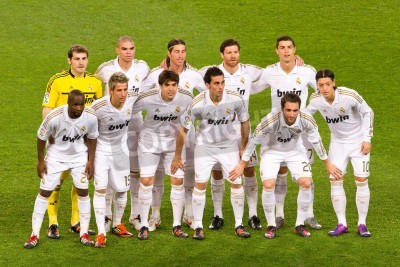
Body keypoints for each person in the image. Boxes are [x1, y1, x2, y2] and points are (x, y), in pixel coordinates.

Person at [230, 93, 341, 239]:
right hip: (271, 152)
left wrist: (328, 164)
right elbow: (253, 141)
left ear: (299, 109)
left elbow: (316, 141)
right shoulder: (270, 120)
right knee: (269, 185)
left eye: (295, 110)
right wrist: (242, 164)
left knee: (307, 183)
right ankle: (271, 226)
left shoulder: (306, 119)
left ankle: (299, 224)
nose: (291, 114)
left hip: (295, 151)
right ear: (282, 109)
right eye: (288, 110)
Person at [171, 67, 251, 240]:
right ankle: (198, 226)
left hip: (228, 146)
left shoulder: (235, 99)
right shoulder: (197, 103)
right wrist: (177, 156)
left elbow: (245, 122)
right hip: (204, 147)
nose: (221, 87)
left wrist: (243, 146)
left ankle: (239, 224)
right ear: (207, 85)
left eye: (222, 82)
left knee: (236, 183)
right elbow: (183, 129)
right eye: (216, 83)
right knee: (200, 185)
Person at [251, 36, 321, 230]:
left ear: (294, 49)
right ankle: (279, 214)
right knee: (280, 171)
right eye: (282, 48)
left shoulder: (306, 71)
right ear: (277, 51)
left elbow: (321, 89)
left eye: (289, 47)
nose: (286, 51)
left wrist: (309, 111)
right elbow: (252, 88)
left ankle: (310, 215)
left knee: (307, 172)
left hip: (301, 129)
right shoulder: (270, 72)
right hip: (277, 130)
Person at [141, 39, 207, 231]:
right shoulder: (155, 74)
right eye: (176, 51)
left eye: (183, 51)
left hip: (185, 132)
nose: (180, 55)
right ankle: (155, 215)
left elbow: (207, 94)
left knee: (187, 173)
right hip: (156, 136)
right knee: (158, 175)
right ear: (169, 53)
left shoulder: (194, 75)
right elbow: (139, 94)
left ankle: (188, 213)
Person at [199, 39, 264, 230]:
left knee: (249, 169)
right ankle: (218, 215)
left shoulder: (250, 71)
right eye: (228, 52)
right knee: (217, 171)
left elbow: (273, 71)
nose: (233, 56)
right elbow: (187, 73)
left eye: (235, 52)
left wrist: (296, 60)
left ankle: (253, 214)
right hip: (219, 131)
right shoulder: (211, 72)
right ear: (222, 54)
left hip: (243, 129)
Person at [24, 90, 98, 249]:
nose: (79, 108)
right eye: (75, 105)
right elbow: (41, 137)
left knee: (83, 192)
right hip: (55, 157)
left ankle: (83, 233)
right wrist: (40, 161)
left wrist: (91, 161)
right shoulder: (55, 117)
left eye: (81, 104)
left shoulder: (91, 116)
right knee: (44, 192)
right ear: (68, 104)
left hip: (79, 157)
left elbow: (92, 138)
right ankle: (34, 234)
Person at [42, 44, 102, 238]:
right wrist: (49, 136)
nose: (81, 62)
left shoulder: (95, 82)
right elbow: (47, 109)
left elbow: (99, 112)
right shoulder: (57, 81)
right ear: (69, 60)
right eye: (77, 59)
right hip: (60, 142)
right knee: (55, 182)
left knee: (80, 182)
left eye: (84, 58)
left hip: (83, 142)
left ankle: (75, 222)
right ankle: (53, 223)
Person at [304, 69, 374, 237]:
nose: (325, 88)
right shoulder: (315, 100)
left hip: (358, 143)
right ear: (317, 86)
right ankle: (341, 223)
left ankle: (362, 224)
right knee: (335, 179)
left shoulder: (349, 95)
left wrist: (367, 138)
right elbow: (306, 114)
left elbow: (368, 112)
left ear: (334, 83)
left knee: (361, 180)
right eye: (321, 85)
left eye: (328, 84)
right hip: (338, 143)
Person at [95, 36, 150, 232]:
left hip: (133, 123)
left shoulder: (143, 67)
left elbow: (151, 87)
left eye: (132, 48)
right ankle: (108, 217)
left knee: (134, 171)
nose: (128, 52)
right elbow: (94, 87)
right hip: (110, 123)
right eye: (124, 48)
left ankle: (135, 214)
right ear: (117, 50)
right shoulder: (105, 69)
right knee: (109, 171)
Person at [134, 70, 194, 240]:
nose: (171, 89)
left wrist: (177, 156)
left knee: (177, 180)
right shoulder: (147, 97)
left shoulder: (186, 98)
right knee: (146, 181)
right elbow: (128, 110)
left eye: (174, 85)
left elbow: (185, 127)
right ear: (160, 86)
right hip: (148, 143)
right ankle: (144, 224)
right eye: (167, 85)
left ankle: (176, 224)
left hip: (173, 143)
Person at [91, 72, 138, 248]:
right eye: (119, 90)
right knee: (101, 191)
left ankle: (117, 223)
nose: (123, 94)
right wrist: (88, 159)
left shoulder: (131, 99)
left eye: (125, 89)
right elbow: (86, 129)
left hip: (122, 152)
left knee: (121, 190)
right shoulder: (98, 107)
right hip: (102, 152)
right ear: (110, 90)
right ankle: (101, 232)